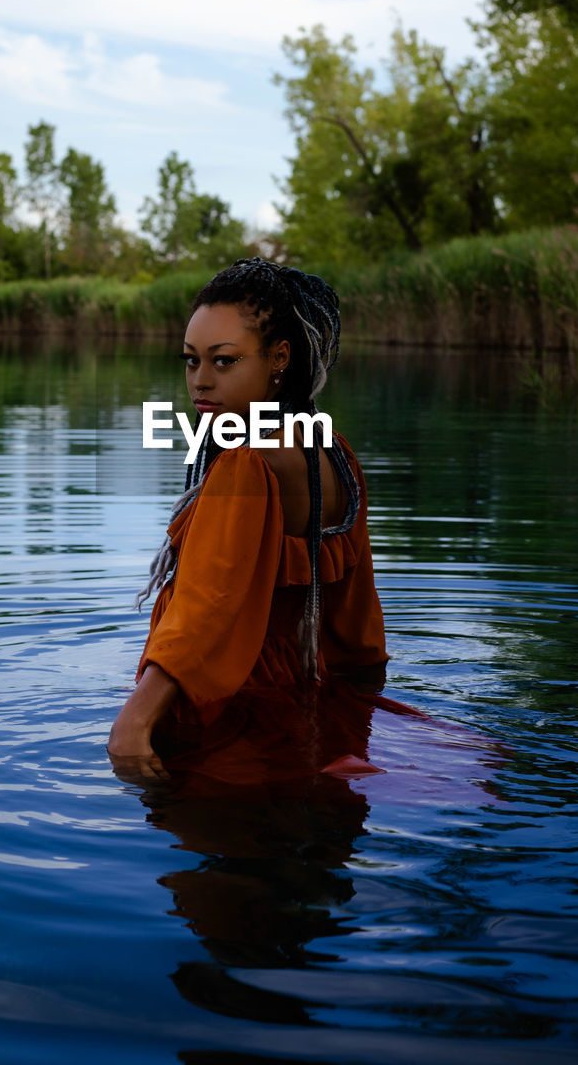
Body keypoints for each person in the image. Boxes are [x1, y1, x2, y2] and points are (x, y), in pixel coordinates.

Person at [108, 256, 391, 786]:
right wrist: (356, 709)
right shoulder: (332, 452)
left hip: (228, 717)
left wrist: (133, 723)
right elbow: (359, 618)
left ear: (279, 358)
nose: (201, 383)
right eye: (191, 361)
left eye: (225, 361)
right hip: (311, 706)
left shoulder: (247, 463)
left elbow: (205, 606)